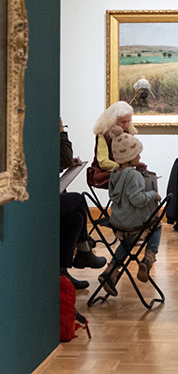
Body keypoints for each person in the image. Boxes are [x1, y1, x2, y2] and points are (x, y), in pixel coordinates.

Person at [98, 126, 161, 296]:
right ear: (130, 157)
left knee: (127, 242)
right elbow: (137, 200)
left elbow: (113, 194)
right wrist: (153, 194)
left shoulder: (114, 173)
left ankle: (111, 271)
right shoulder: (134, 176)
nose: (140, 157)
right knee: (157, 225)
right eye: (138, 154)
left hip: (118, 221)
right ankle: (148, 258)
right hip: (134, 222)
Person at [60, 118, 106, 289]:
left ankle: (62, 273)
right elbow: (63, 158)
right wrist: (62, 132)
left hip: (45, 197)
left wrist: (64, 163)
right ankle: (84, 251)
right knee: (79, 199)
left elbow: (60, 161)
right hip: (35, 202)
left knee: (76, 218)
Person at [87, 101, 142, 188]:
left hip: (123, 170)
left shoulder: (127, 133)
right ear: (113, 120)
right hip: (104, 173)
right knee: (133, 179)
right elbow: (103, 162)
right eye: (123, 122)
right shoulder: (103, 135)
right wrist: (122, 167)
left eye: (128, 121)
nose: (126, 125)